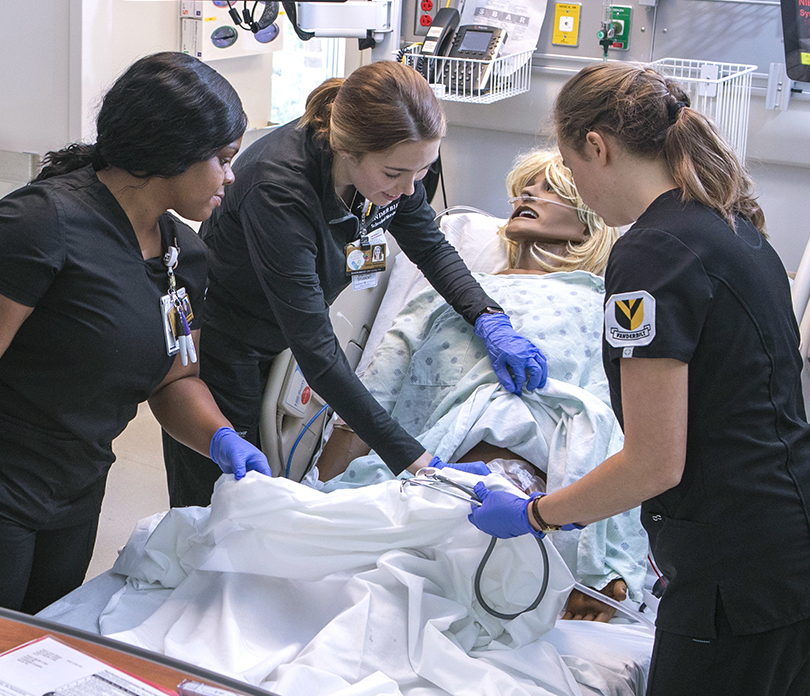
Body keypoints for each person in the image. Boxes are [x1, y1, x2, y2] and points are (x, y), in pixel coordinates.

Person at [466, 63, 810, 696]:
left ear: (597, 146)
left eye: (569, 167)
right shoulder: (725, 221)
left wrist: (537, 512)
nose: (575, 189)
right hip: (804, 546)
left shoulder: (649, 256)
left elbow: (657, 462)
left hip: (740, 575)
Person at [0, 51, 269, 616]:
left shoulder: (184, 254)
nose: (231, 175)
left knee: (45, 636)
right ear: (172, 151)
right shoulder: (40, 223)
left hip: (77, 484)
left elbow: (175, 378)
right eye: (222, 158)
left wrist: (222, 439)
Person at [163, 60, 551, 508]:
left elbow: (430, 247)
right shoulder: (278, 188)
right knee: (214, 506)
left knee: (251, 504)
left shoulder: (394, 168)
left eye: (422, 171)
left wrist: (487, 316)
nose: (409, 189)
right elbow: (318, 352)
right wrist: (421, 464)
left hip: (282, 329)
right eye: (395, 174)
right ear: (347, 151)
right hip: (223, 344)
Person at [317, 149, 630, 620]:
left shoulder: (601, 307)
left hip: (527, 509)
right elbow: (367, 403)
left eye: (550, 188)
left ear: (590, 224)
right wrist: (315, 495)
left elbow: (615, 433)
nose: (528, 194)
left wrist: (609, 563)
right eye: (526, 187)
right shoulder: (438, 297)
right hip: (421, 481)